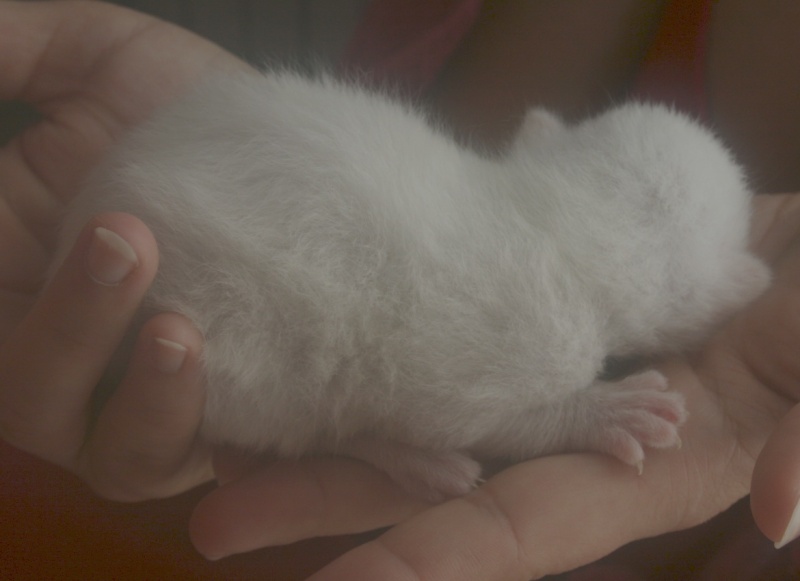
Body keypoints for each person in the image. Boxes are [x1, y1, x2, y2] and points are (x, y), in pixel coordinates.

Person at [2, 1, 800, 579]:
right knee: (265, 361)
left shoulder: (498, 195)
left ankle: (353, 431)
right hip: (192, 268)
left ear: (545, 147)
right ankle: (350, 434)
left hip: (169, 198)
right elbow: (454, 400)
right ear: (713, 290)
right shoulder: (548, 333)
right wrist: (580, 413)